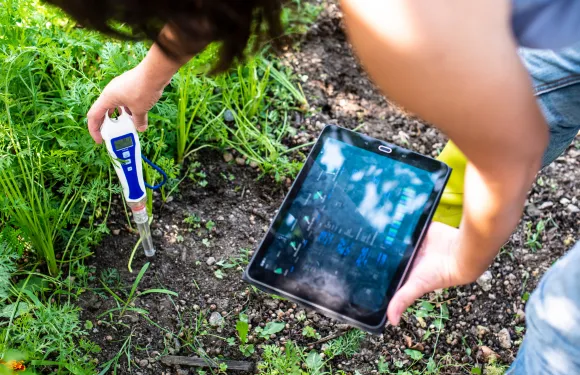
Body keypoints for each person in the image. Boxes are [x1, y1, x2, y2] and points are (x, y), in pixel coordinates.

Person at [47, 0, 579, 373]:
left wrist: (465, 256)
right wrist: (149, 76)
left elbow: (512, 144)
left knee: (564, 331)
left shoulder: (397, 22)